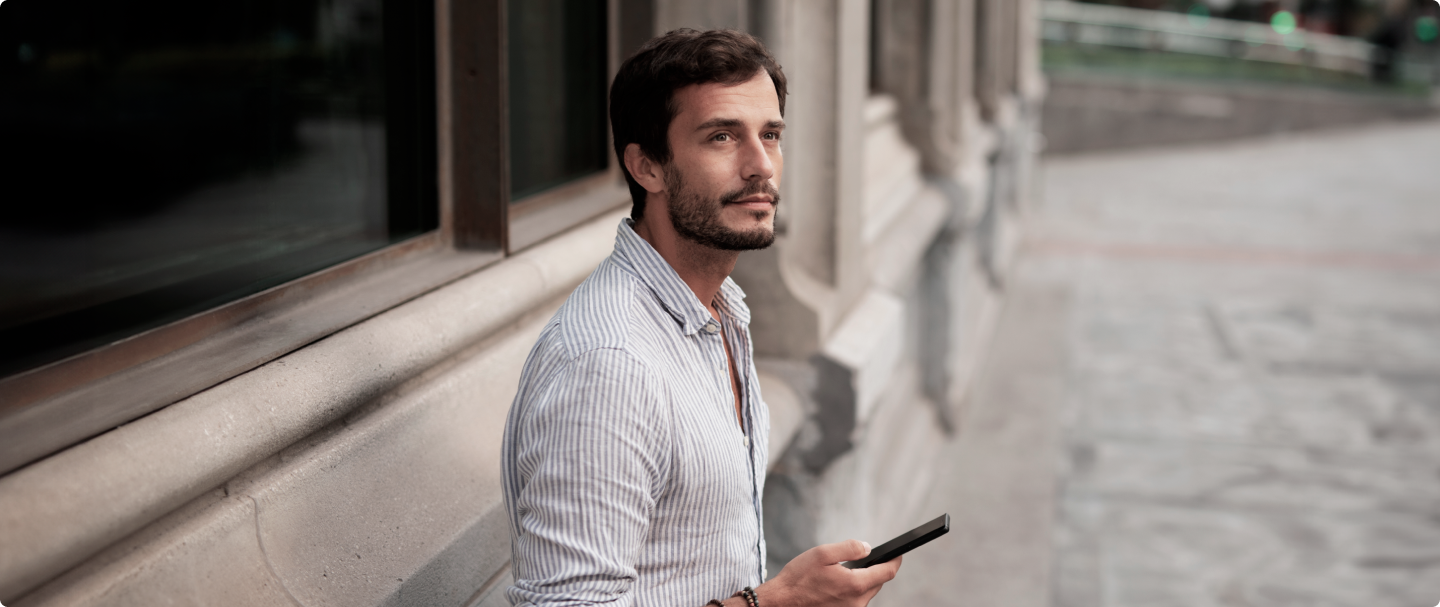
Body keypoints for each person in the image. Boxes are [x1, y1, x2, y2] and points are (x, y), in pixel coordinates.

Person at [500, 28, 901, 607]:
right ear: (647, 167)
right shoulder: (611, 366)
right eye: (721, 137)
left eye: (770, 134)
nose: (760, 166)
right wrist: (777, 601)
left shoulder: (719, 311)